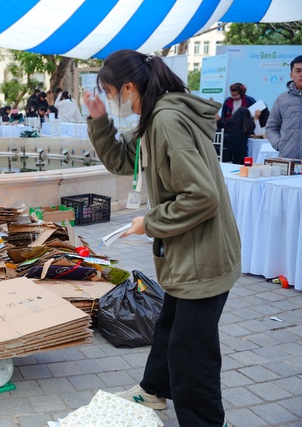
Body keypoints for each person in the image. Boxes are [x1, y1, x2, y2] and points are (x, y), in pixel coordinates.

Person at [83, 50, 240, 427]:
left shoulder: (166, 120)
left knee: (192, 357)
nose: (111, 100)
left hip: (202, 259)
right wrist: (100, 121)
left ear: (128, 87)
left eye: (109, 93)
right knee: (171, 327)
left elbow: (201, 196)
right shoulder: (157, 116)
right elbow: (127, 162)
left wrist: (149, 221)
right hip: (187, 255)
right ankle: (153, 390)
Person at [265, 55, 302, 159]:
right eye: (298, 71)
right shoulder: (282, 99)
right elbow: (271, 127)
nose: (301, 74)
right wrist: (279, 144)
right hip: (287, 160)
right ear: (291, 75)